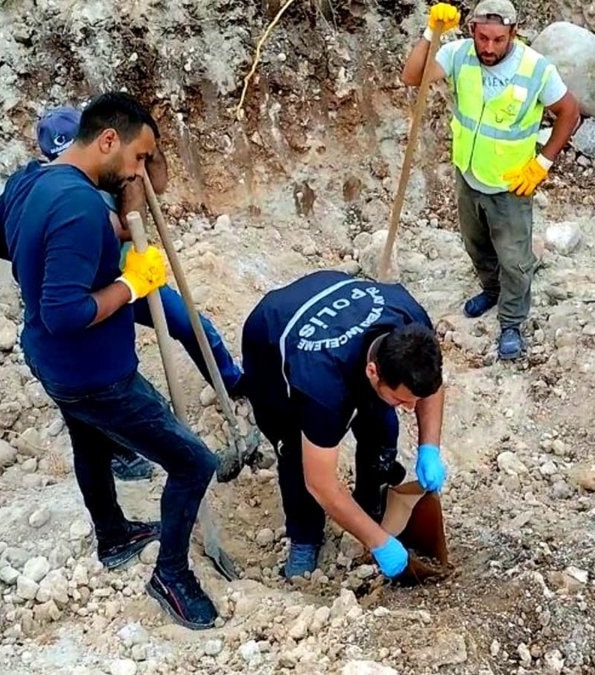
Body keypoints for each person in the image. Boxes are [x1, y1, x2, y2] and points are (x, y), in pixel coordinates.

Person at [1, 92, 220, 630]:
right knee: (193, 463)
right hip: (93, 375)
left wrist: (115, 228)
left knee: (91, 444)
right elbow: (65, 314)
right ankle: (171, 575)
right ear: (106, 141)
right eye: (138, 157)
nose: (139, 170)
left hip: (51, 361)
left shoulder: (35, 181)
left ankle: (113, 535)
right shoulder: (78, 208)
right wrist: (131, 284)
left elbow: (26, 256)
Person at [33, 106, 245, 481]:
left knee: (189, 323)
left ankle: (231, 381)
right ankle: (122, 451)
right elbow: (119, 228)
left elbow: (155, 188)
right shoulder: (57, 190)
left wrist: (146, 148)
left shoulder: (114, 166)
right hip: (91, 296)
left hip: (135, 278)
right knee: (103, 382)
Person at [400, 0, 580, 360]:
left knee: (514, 259)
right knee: (476, 245)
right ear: (472, 31)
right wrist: (431, 32)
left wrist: (543, 162)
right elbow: (412, 76)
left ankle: (511, 321)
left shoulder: (535, 68)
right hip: (469, 174)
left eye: (498, 39)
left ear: (513, 32)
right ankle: (492, 290)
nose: (489, 47)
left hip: (511, 184)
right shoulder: (458, 55)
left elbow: (569, 111)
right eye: (482, 38)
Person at [241, 270, 446, 578]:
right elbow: (320, 483)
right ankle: (305, 536)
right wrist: (379, 544)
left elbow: (430, 387)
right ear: (374, 372)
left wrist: (429, 447)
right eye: (402, 399)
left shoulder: (411, 323)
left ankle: (370, 504)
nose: (411, 408)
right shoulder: (321, 387)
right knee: (295, 453)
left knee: (383, 427)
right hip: (271, 341)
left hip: (332, 296)